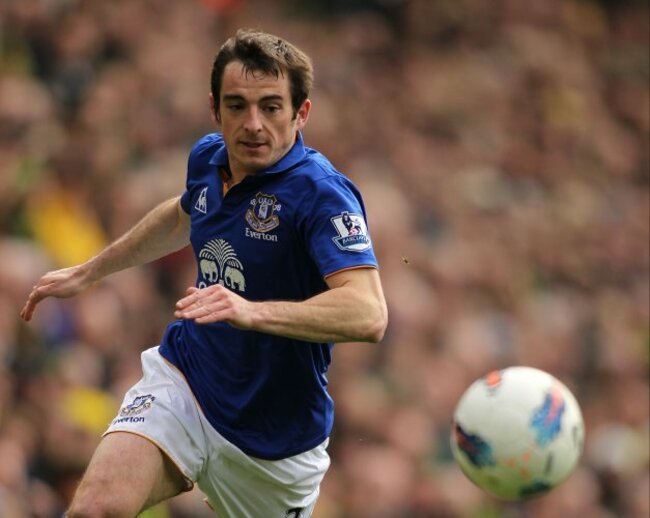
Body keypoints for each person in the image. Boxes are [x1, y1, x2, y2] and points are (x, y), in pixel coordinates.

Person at [21, 29, 388, 517]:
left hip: (273, 445)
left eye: (271, 107)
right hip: (187, 382)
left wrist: (252, 312)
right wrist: (90, 271)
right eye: (237, 106)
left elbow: (368, 313)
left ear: (301, 113)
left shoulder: (322, 195)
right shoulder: (208, 157)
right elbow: (184, 214)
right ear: (215, 109)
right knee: (94, 508)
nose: (253, 124)